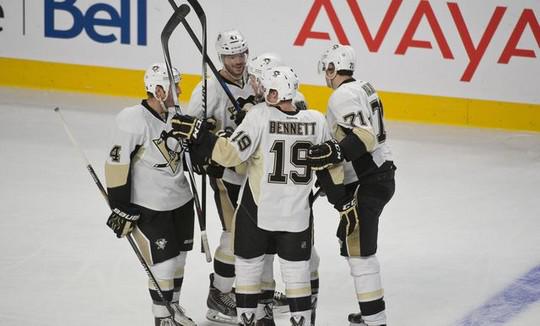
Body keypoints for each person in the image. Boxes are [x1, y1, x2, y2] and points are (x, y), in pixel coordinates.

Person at [171, 66, 330, 326]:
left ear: (275, 92)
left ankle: (251, 318)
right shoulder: (316, 120)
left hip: (258, 213)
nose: (262, 90)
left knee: (248, 270)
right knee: (297, 276)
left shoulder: (259, 117)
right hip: (297, 218)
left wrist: (200, 134)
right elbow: (329, 166)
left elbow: (228, 155)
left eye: (266, 87)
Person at [306, 44, 396, 326]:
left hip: (368, 181)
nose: (326, 75)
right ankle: (371, 311)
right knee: (351, 241)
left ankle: (375, 319)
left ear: (332, 69)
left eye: (327, 69)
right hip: (381, 173)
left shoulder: (340, 96)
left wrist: (335, 153)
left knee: (360, 251)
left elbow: (364, 135)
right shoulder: (363, 87)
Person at [104, 63, 197, 326]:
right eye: (174, 86)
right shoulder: (131, 119)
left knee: (179, 260)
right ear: (158, 90)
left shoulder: (175, 115)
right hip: (150, 206)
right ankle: (162, 318)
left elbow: (186, 158)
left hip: (181, 200)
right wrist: (120, 206)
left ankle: (174, 308)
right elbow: (116, 164)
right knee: (164, 264)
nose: (179, 90)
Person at [185, 29, 256, 325]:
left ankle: (255, 291)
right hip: (226, 174)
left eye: (242, 54)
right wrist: (207, 142)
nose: (238, 60)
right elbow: (188, 131)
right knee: (234, 235)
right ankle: (219, 295)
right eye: (231, 55)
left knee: (255, 234)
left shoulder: (255, 79)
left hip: (254, 171)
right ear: (221, 57)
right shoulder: (209, 89)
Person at [246, 53, 320, 326]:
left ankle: (291, 310)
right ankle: (296, 311)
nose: (253, 84)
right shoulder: (289, 104)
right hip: (293, 197)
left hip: (277, 194)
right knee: (295, 256)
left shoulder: (266, 111)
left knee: (297, 256)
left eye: (256, 79)